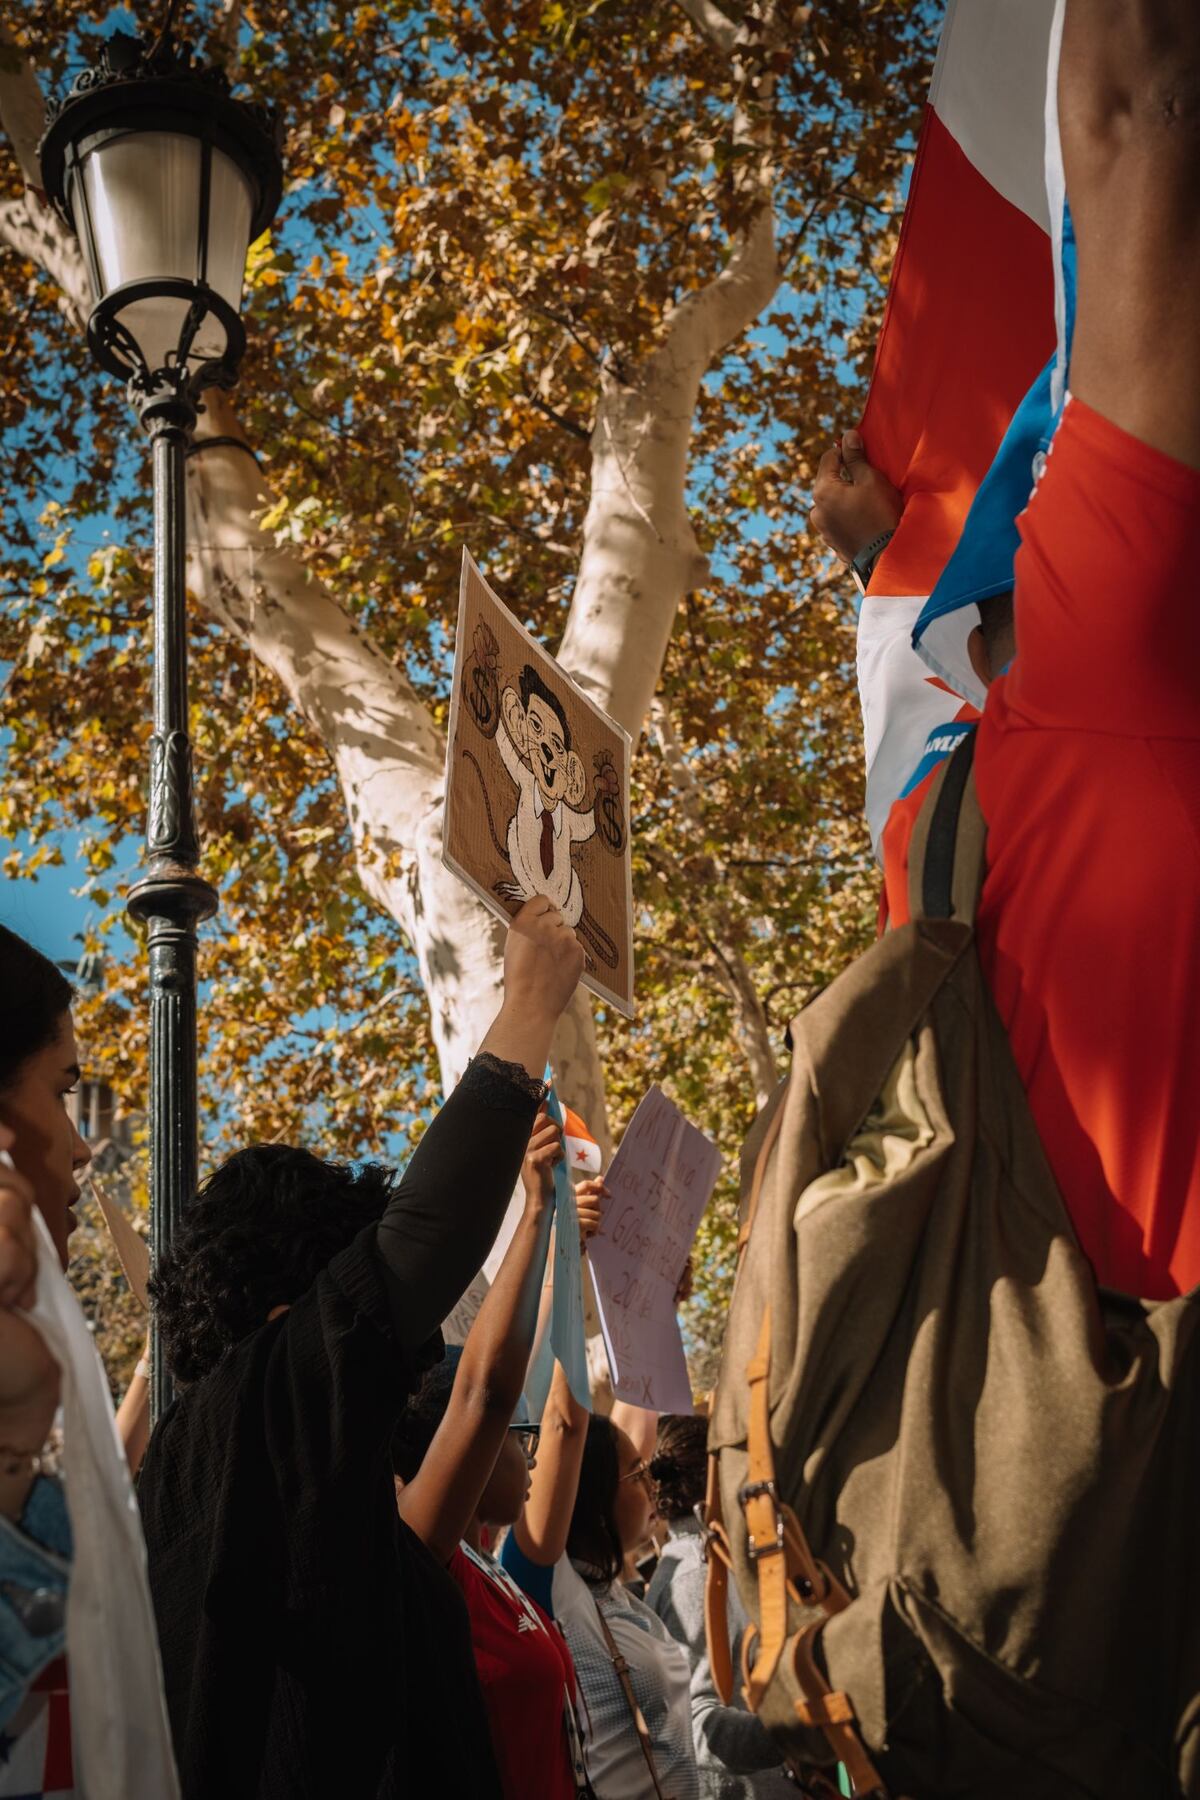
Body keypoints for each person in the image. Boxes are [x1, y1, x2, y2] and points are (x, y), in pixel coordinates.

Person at [807, 0, 1200, 1302]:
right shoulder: (1099, 698)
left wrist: (885, 573)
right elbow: (1134, 119)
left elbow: (1135, 120)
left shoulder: (941, 851)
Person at [136, 895, 585, 1799]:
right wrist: (528, 1005)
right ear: (283, 1318)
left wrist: (545, 1218)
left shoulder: (323, 1533)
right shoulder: (258, 1405)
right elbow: (420, 1249)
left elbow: (481, 1397)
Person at [389, 1113, 606, 1800]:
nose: (528, 1444)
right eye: (517, 1431)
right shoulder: (422, 1558)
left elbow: (523, 1369)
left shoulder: (493, 1576)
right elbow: (490, 1388)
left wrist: (570, 1254)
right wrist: (539, 1211)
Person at [501, 1359, 700, 1800]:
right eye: (638, 1474)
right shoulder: (549, 1588)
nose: (653, 1486)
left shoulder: (609, 1586)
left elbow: (626, 1420)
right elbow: (564, 1424)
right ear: (589, 1492)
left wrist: (646, 1305)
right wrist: (580, 1287)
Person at [645, 1417, 794, 1800]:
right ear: (718, 1476)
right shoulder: (696, 1574)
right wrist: (795, 1732)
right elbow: (695, 1723)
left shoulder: (709, 1561)